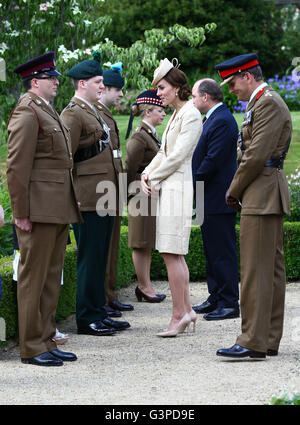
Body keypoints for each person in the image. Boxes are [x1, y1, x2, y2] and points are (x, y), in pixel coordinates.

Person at [214, 53, 292, 359]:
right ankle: (267, 339)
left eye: (233, 82)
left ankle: (252, 341)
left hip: (261, 192)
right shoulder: (263, 102)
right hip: (264, 191)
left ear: (248, 76)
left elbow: (256, 154)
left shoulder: (268, 103)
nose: (231, 89)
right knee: (268, 270)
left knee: (255, 272)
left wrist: (233, 189)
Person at [6, 52, 81, 366]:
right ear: (35, 81)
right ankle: (32, 346)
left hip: (56, 208)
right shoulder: (27, 112)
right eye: (51, 78)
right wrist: (20, 212)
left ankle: (47, 339)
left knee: (51, 277)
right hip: (37, 211)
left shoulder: (45, 110)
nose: (57, 82)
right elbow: (16, 168)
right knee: (33, 278)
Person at [61, 51, 130, 336]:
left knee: (100, 256)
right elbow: (65, 159)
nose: (103, 86)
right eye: (98, 81)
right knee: (90, 258)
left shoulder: (92, 110)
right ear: (82, 84)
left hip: (104, 195)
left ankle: (98, 311)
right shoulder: (73, 113)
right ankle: (87, 317)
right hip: (87, 197)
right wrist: (70, 195)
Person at [141, 58, 202, 336]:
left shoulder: (190, 114)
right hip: (171, 188)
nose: (159, 94)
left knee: (171, 252)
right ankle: (185, 311)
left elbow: (177, 156)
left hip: (178, 189)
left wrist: (152, 177)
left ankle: (180, 313)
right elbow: (164, 153)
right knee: (172, 253)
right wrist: (146, 172)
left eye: (163, 88)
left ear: (177, 87)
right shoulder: (179, 114)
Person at [191, 79, 239, 320]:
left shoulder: (222, 120)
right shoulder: (214, 118)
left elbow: (213, 159)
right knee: (212, 251)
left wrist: (192, 181)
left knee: (222, 252)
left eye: (194, 96)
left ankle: (229, 301)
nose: (193, 100)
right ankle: (216, 296)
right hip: (209, 196)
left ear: (206, 97)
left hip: (218, 197)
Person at [99, 62, 134, 317]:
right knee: (101, 250)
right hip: (99, 193)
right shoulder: (94, 113)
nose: (121, 94)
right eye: (117, 90)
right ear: (104, 89)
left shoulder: (105, 113)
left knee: (111, 249)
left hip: (111, 190)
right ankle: (101, 300)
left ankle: (109, 296)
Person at [125, 89, 167, 303]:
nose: (164, 113)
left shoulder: (149, 134)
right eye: (160, 110)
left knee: (146, 241)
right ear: (148, 111)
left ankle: (146, 285)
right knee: (141, 242)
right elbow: (130, 166)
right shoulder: (140, 136)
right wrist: (129, 193)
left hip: (147, 196)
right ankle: (144, 286)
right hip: (140, 196)